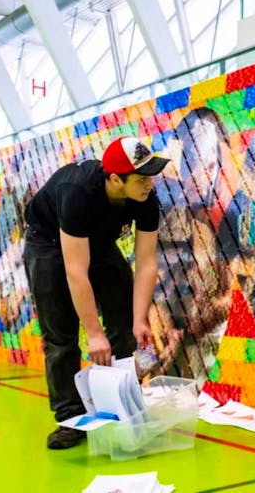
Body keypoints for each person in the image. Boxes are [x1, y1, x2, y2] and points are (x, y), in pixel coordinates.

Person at [22, 136, 169, 449]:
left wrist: (140, 318)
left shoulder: (145, 199)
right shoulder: (76, 192)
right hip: (47, 244)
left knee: (125, 321)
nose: (149, 185)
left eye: (151, 176)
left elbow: (145, 264)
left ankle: (125, 405)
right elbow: (76, 271)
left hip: (99, 244)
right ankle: (70, 417)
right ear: (116, 179)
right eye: (142, 178)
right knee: (60, 334)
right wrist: (94, 333)